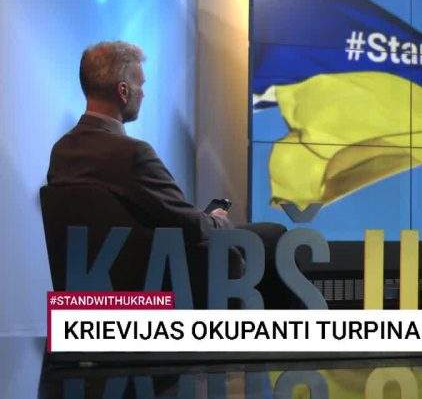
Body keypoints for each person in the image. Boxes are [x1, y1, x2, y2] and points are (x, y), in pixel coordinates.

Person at [47, 41, 288, 307]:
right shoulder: (133, 154)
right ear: (123, 91)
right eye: (140, 85)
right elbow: (190, 224)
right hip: (157, 280)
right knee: (274, 237)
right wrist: (218, 221)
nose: (143, 94)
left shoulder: (61, 153)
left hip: (107, 287)